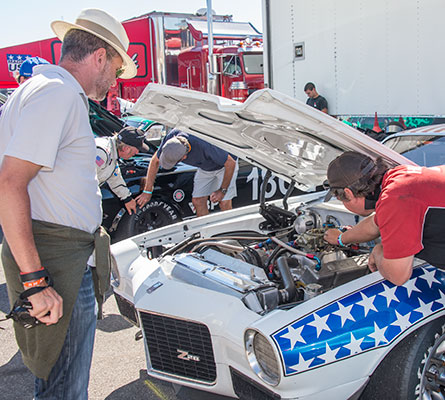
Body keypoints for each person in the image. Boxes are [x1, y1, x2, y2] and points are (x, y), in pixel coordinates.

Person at [0, 8, 136, 399]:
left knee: (56, 384)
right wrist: (35, 281)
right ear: (99, 57)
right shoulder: (58, 94)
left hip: (59, 261)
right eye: (116, 68)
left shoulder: (40, 89)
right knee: (66, 391)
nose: (115, 80)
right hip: (59, 266)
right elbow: (10, 184)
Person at [323, 151, 445, 286]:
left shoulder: (395, 199)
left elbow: (398, 276)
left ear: (348, 193)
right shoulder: (400, 177)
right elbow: (374, 224)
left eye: (341, 199)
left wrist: (378, 251)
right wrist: (341, 238)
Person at [136, 129, 238, 217]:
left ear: (184, 157)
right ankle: (205, 233)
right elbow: (155, 161)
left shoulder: (204, 144)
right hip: (205, 166)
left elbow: (230, 163)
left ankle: (231, 233)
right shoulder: (172, 138)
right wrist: (147, 191)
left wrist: (222, 190)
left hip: (225, 166)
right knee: (198, 201)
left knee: (224, 202)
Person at [96, 126, 148, 215]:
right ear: (126, 149)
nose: (137, 153)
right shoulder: (101, 153)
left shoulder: (112, 153)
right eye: (136, 150)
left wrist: (127, 198)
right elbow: (83, 181)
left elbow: (115, 178)